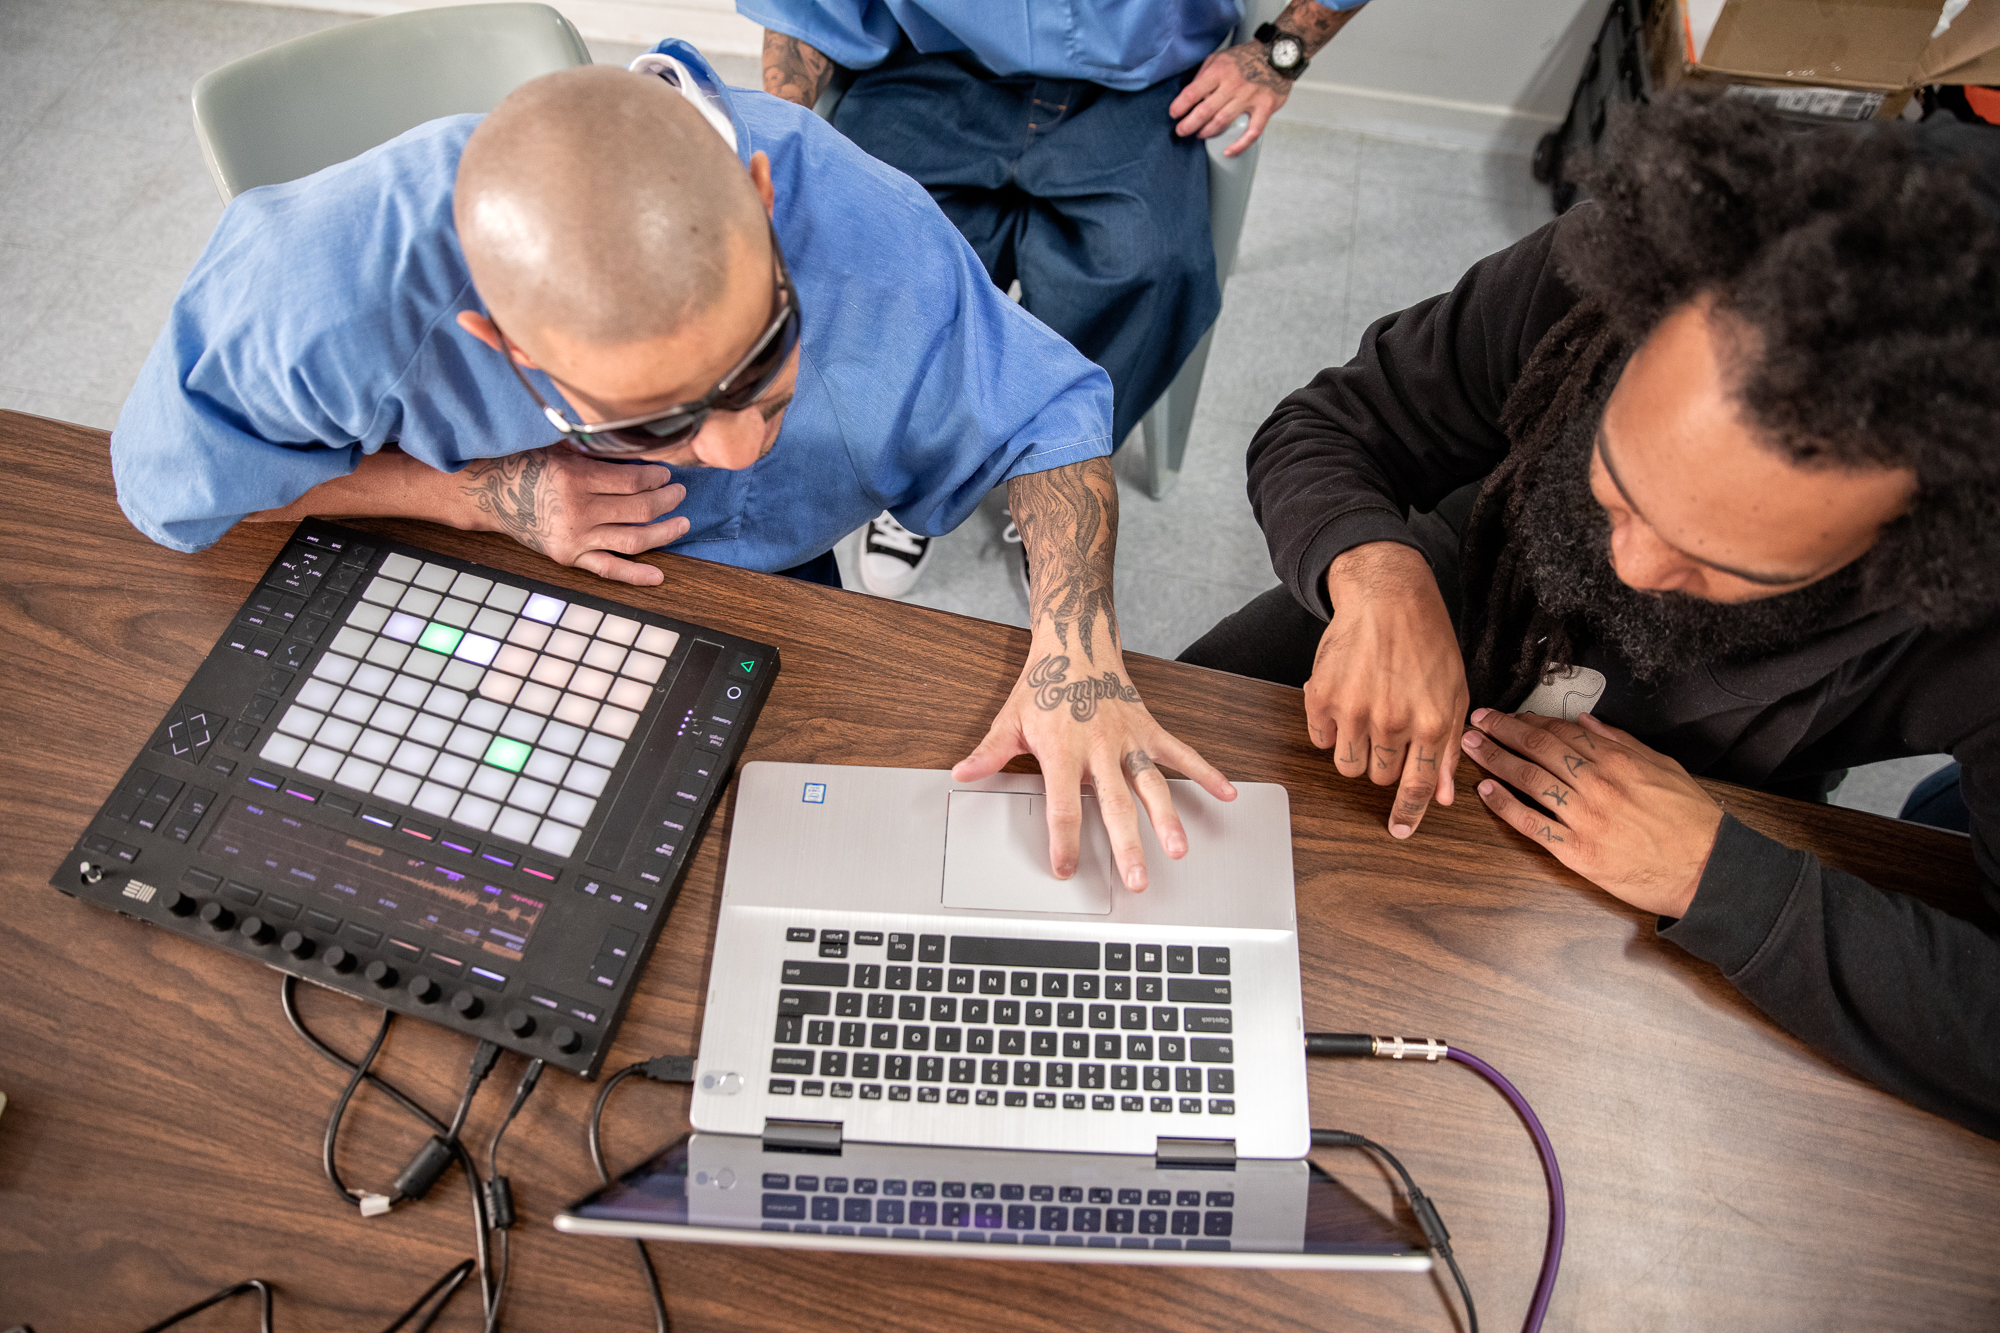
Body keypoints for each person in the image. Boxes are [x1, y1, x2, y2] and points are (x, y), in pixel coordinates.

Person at [111, 46, 1234, 889]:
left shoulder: (858, 215)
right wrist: (475, 495)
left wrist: (1073, 655)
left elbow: (1045, 420)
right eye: (654, 424)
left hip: (762, 588)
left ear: (759, 198)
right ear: (503, 347)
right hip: (465, 573)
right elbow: (178, 493)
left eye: (764, 358)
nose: (744, 445)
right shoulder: (310, 295)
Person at [1180, 95, 2000, 1138]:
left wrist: (1724, 878)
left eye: (1718, 561)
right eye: (1614, 481)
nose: (1625, 563)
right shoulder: (1630, 255)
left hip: (1700, 802)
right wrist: (1373, 568)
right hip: (1439, 597)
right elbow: (1333, 422)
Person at [742, 0, 1371, 596]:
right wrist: (774, 149)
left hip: (1141, 84)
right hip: (932, 65)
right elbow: (805, 11)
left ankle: (1051, 473)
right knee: (868, 253)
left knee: (1148, 266)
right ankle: (906, 470)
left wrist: (1280, 52)